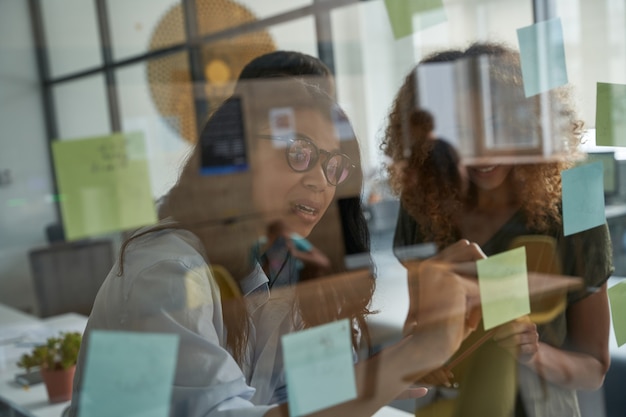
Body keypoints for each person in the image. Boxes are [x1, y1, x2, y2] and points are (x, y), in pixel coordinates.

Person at [68, 51, 481, 417]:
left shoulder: (276, 265)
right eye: (299, 152)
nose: (322, 181)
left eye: (334, 166)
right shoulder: (168, 273)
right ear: (235, 156)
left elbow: (284, 395)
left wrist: (386, 371)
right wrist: (414, 352)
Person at [381, 42, 613, 417]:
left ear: (527, 122)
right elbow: (417, 327)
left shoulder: (578, 198)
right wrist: (426, 356)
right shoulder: (424, 199)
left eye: (496, 126)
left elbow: (594, 369)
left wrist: (534, 352)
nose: (480, 150)